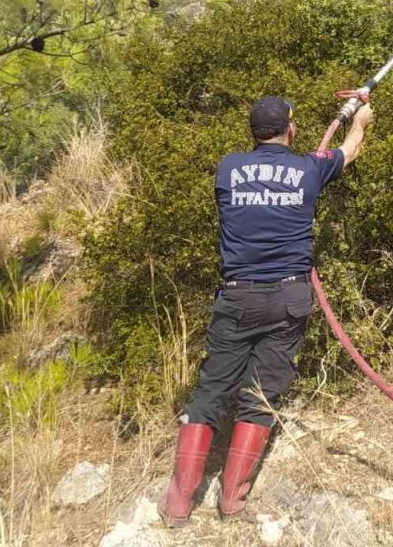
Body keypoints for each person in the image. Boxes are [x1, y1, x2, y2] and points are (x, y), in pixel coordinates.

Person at [158, 95, 374, 526]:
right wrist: (361, 118)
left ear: (252, 131)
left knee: (210, 391)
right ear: (290, 129)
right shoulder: (309, 170)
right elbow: (349, 151)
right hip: (289, 298)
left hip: (237, 297)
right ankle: (232, 501)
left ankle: (179, 502)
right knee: (263, 392)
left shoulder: (227, 169)